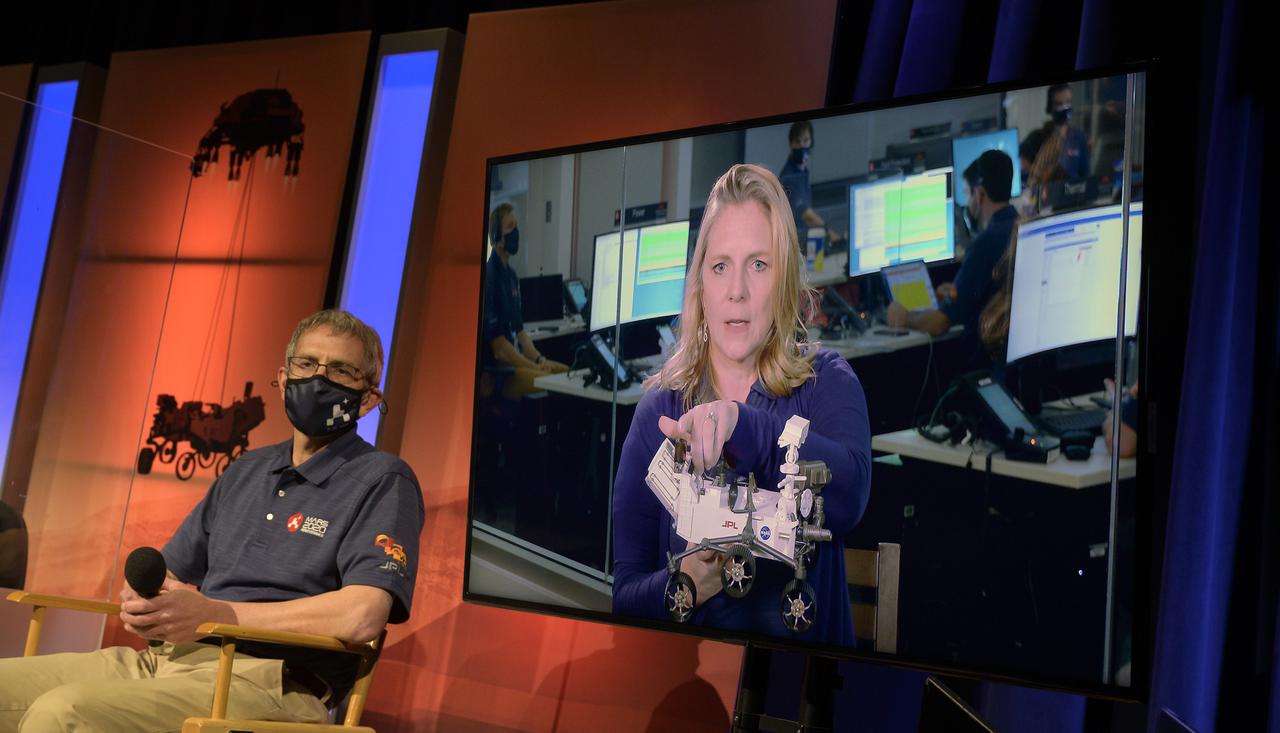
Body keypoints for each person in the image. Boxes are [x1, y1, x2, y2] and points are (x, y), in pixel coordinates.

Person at [0, 309, 425, 731]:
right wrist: (149, 600)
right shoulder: (247, 468)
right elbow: (168, 570)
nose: (319, 378)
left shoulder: (383, 479)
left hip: (270, 683)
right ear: (282, 378)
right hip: (166, 660)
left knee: (63, 712)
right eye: (307, 363)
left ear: (368, 398)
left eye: (342, 370)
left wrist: (218, 612)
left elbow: (362, 615)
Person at [611, 164, 871, 645]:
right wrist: (687, 582)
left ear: (784, 278)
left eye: (758, 264)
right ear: (702, 287)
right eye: (720, 266)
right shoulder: (660, 410)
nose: (737, 291)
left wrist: (743, 424)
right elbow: (624, 598)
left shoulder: (827, 382)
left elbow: (850, 497)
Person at [887, 150, 1018, 370]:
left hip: (985, 365)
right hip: (1016, 363)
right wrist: (959, 292)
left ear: (980, 193)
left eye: (968, 194)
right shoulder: (1020, 226)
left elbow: (939, 324)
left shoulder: (985, 243)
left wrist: (904, 316)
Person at [482, 203, 569, 400]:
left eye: (517, 226)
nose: (516, 232)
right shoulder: (489, 276)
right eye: (510, 227)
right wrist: (534, 367)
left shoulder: (511, 276)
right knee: (553, 384)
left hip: (513, 364)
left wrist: (540, 359)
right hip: (496, 373)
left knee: (568, 374)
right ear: (496, 236)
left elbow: (521, 333)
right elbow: (500, 350)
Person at [777, 121, 844, 258]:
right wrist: (830, 234)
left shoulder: (803, 172)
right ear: (791, 144)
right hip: (796, 246)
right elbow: (807, 216)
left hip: (807, 241)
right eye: (797, 141)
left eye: (806, 140)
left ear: (811, 142)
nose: (802, 145)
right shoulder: (790, 176)